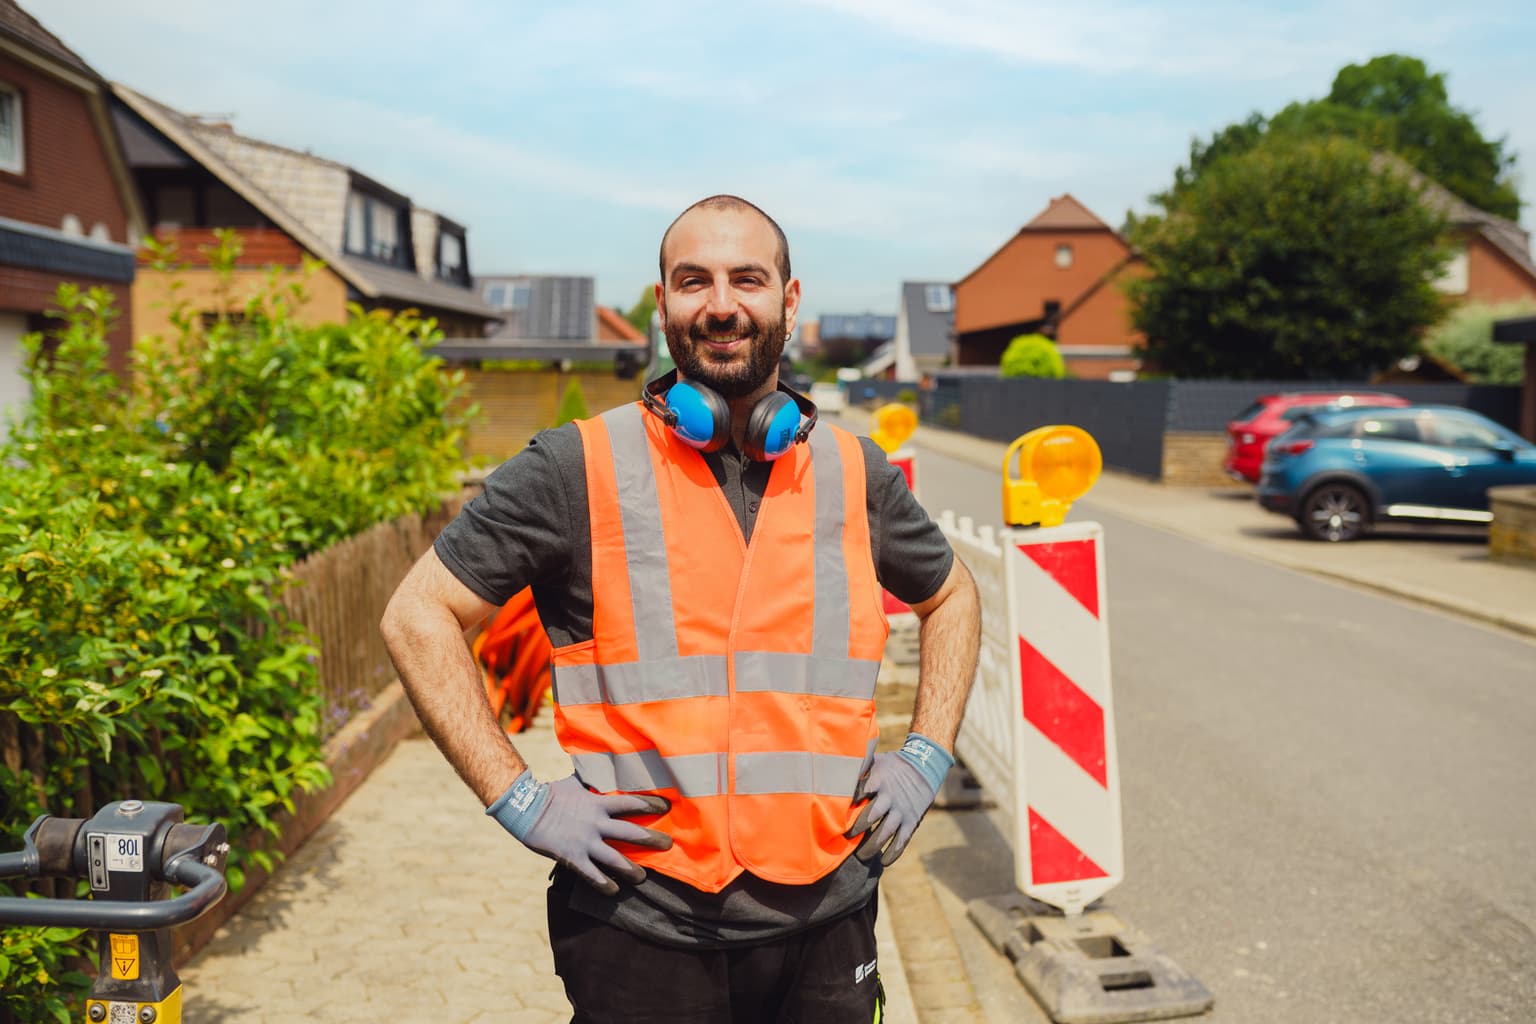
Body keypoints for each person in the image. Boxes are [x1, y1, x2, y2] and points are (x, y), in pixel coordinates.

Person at [380, 194, 981, 1023]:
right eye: (693, 281)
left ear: (789, 300)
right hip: (642, 929)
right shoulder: (574, 467)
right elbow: (417, 616)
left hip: (830, 918)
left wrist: (924, 757)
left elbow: (952, 594)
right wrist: (518, 798)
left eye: (748, 279)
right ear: (661, 305)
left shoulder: (855, 473)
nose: (722, 304)